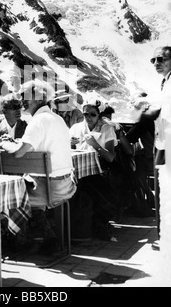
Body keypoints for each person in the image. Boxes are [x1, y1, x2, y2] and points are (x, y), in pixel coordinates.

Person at [0, 79, 77, 254]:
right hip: (65, 186)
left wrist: (4, 143)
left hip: (47, 189)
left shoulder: (38, 120)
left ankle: (19, 241)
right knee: (28, 190)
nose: (21, 100)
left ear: (38, 97)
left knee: (8, 194)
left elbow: (19, 153)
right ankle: (50, 239)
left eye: (24, 95)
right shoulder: (57, 118)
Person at [69, 99, 118, 240]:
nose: (89, 117)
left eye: (93, 114)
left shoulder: (106, 129)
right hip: (78, 167)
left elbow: (110, 157)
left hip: (100, 168)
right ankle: (77, 227)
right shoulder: (76, 128)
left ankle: (91, 226)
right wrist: (69, 143)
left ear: (99, 115)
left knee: (89, 186)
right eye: (86, 114)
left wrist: (95, 144)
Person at [148, 46, 171, 250]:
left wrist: (142, 103)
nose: (156, 63)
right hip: (163, 143)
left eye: (161, 59)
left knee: (167, 191)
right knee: (162, 191)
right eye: (153, 60)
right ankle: (164, 236)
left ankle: (167, 238)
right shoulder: (165, 82)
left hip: (169, 145)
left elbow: (164, 102)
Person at [125, 93, 155, 217]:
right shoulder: (154, 118)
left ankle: (143, 207)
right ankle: (151, 200)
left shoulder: (143, 122)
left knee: (132, 171)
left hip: (153, 159)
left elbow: (130, 138)